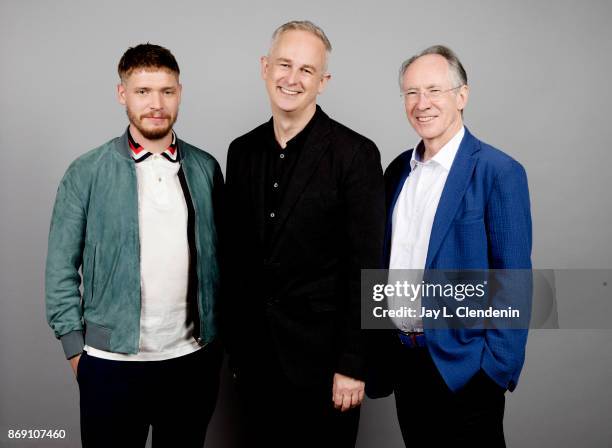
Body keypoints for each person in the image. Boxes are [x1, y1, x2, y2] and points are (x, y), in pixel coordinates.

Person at [45, 43, 223, 448]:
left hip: (191, 363)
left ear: (180, 92)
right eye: (143, 92)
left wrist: (215, 345)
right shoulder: (86, 172)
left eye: (167, 91)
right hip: (111, 367)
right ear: (122, 94)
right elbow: (59, 268)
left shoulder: (205, 168)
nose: (156, 104)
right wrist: (78, 353)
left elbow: (222, 262)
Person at [223, 20, 385, 448]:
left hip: (326, 367)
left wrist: (353, 363)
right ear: (264, 67)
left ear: (323, 81)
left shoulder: (356, 154)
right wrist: (236, 350)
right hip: (255, 364)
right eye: (283, 64)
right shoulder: (241, 151)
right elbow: (237, 257)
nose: (291, 79)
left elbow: (368, 267)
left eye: (307, 70)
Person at [372, 45, 532, 447]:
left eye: (434, 91)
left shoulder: (499, 172)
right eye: (411, 93)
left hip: (465, 370)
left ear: (461, 96)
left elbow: (513, 281)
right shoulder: (397, 172)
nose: (421, 104)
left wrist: (492, 370)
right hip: (406, 362)